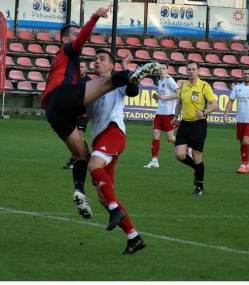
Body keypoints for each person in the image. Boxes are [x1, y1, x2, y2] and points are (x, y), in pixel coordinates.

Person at [40, 7, 159, 220]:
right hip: (68, 103)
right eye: (75, 34)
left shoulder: (74, 71)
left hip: (55, 112)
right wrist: (94, 17)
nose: (79, 38)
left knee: (82, 156)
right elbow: (80, 42)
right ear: (65, 39)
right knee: (107, 82)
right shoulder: (68, 50)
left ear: (110, 64)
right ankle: (133, 73)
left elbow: (127, 93)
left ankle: (79, 191)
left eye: (102, 59)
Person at [87, 49, 146, 254]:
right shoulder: (91, 86)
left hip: (113, 133)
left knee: (94, 165)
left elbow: (132, 90)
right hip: (99, 140)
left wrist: (125, 69)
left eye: (102, 59)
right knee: (103, 197)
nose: (97, 61)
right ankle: (134, 238)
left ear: (111, 66)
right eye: (95, 58)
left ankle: (115, 210)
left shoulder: (116, 81)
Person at [171, 60, 218, 195]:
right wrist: (175, 116)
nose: (191, 72)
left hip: (199, 124)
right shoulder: (183, 85)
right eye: (189, 69)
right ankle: (197, 169)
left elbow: (214, 105)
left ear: (199, 71)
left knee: (197, 155)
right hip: (185, 124)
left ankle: (200, 187)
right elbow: (179, 103)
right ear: (186, 71)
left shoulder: (204, 86)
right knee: (179, 154)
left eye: (193, 69)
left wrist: (203, 112)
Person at [144, 62, 192, 168]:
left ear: (167, 70)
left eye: (163, 68)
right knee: (155, 135)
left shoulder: (169, 80)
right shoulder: (160, 80)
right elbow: (163, 95)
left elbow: (178, 93)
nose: (161, 70)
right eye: (160, 69)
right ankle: (154, 160)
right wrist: (157, 97)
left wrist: (165, 98)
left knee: (170, 138)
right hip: (159, 113)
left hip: (168, 113)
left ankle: (189, 149)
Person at [63, 60, 92, 169]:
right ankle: (86, 156)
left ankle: (74, 160)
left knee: (79, 135)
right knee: (74, 137)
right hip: (71, 111)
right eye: (78, 66)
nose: (80, 69)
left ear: (86, 69)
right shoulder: (71, 80)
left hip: (83, 112)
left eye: (82, 67)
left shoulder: (89, 82)